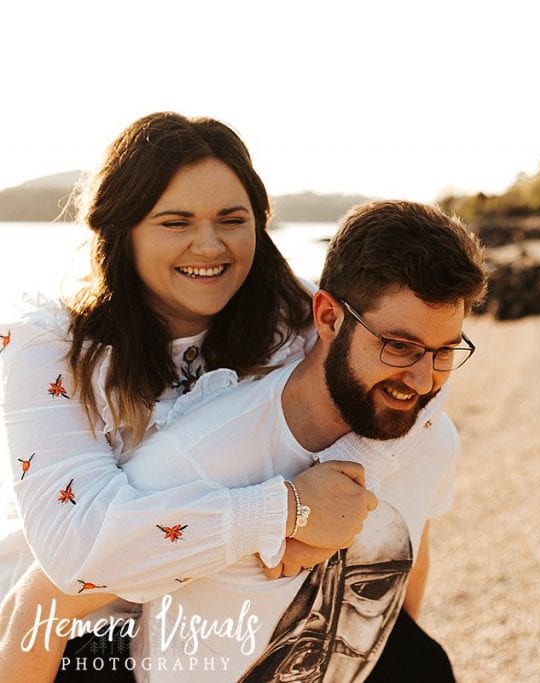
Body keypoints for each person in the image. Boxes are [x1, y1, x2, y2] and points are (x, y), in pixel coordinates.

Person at [0, 114, 429, 679]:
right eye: (175, 222)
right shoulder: (54, 349)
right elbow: (75, 554)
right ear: (121, 228)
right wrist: (287, 511)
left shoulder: (298, 316)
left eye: (233, 219)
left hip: (258, 613)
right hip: (90, 636)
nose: (210, 245)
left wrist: (355, 477)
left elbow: (424, 372)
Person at [86, 199, 486, 681]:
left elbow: (407, 562)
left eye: (445, 351)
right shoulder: (191, 463)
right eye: (399, 346)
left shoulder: (431, 438)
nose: (423, 381)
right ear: (329, 317)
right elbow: (52, 601)